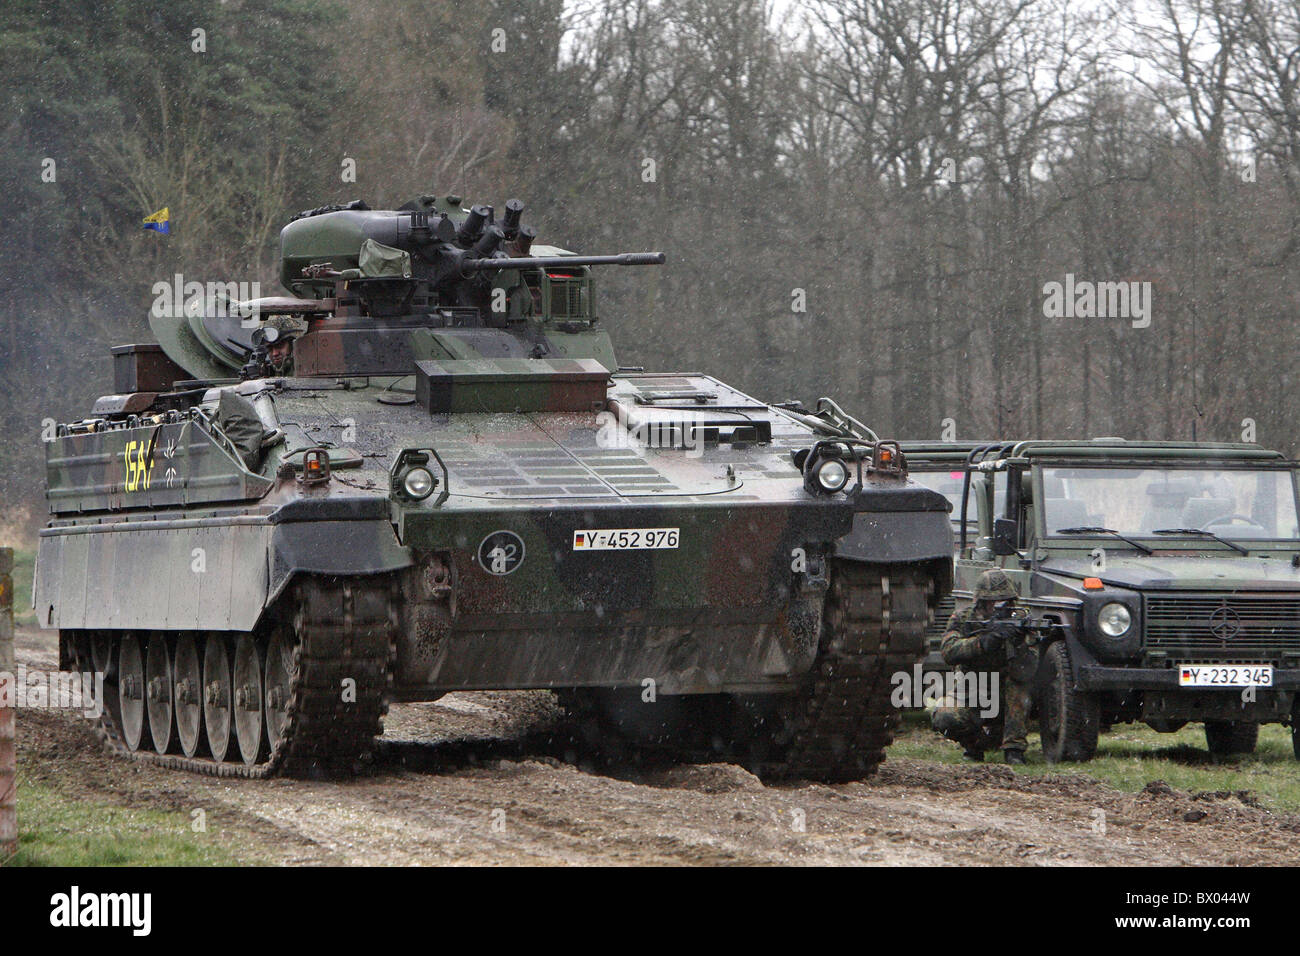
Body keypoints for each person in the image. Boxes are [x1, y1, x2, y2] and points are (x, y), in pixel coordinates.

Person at [929, 568, 1037, 765]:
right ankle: (975, 744)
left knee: (1018, 685)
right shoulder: (963, 619)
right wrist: (984, 641)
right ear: (981, 602)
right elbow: (948, 651)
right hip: (972, 691)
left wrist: (1021, 640)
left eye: (1003, 602)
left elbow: (1030, 668)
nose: (997, 607)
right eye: (992, 602)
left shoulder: (1019, 619)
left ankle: (1014, 749)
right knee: (944, 716)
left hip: (1008, 694)